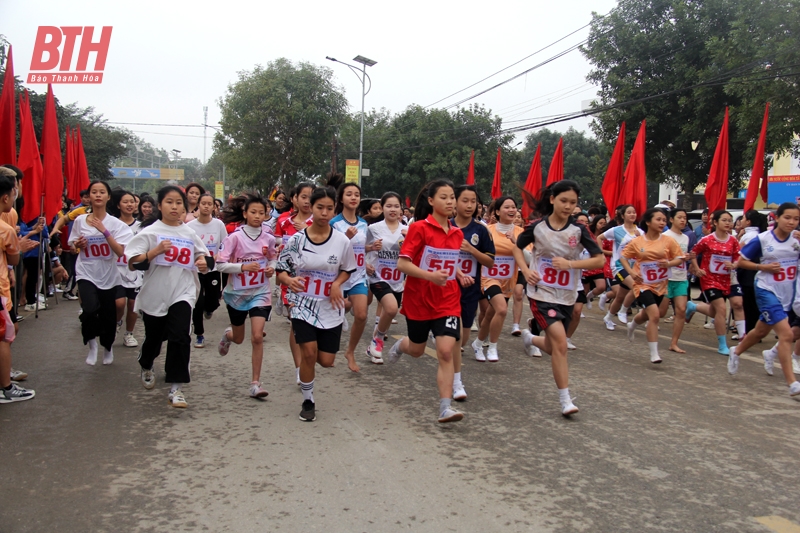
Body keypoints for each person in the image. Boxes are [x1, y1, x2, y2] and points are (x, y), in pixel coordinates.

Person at [515, 180, 604, 416]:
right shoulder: (536, 227)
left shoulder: (579, 230)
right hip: (541, 293)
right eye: (563, 201)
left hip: (567, 294)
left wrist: (570, 264)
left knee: (555, 345)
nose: (568, 206)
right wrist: (525, 270)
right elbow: (517, 248)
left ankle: (530, 339)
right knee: (561, 344)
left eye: (573, 203)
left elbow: (599, 260)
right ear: (552, 199)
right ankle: (566, 400)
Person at [385, 179, 467, 424]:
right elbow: (403, 264)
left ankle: (445, 408)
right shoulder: (419, 228)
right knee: (418, 351)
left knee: (445, 351)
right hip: (419, 300)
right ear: (431, 201)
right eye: (444, 197)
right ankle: (402, 346)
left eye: (452, 197)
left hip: (448, 300)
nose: (450, 201)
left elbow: (448, 263)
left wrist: (458, 273)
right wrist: (430, 276)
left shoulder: (457, 233)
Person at [126, 186, 211, 408]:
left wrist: (202, 263)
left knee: (180, 335)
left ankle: (177, 387)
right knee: (155, 337)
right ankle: (146, 363)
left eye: (178, 203)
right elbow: (133, 262)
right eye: (169, 202)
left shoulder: (189, 233)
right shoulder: (151, 232)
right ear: (159, 205)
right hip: (156, 292)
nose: (174, 207)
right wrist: (154, 252)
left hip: (182, 291)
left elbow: (205, 258)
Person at [276, 187, 356, 422]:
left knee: (326, 361)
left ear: (334, 209)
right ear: (311, 207)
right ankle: (308, 400)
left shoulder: (341, 240)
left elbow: (348, 268)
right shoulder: (297, 240)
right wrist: (289, 280)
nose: (324, 212)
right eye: (319, 207)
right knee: (308, 354)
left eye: (329, 208)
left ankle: (340, 320)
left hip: (330, 306)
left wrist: (336, 284)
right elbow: (281, 270)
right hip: (302, 303)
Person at [727, 202, 800, 399]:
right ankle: (792, 382)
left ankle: (737, 351)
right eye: (787, 218)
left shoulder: (797, 240)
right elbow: (740, 261)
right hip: (766, 289)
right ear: (776, 218)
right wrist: (763, 268)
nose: (791, 222)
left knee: (760, 330)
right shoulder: (763, 239)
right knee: (786, 334)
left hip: (788, 293)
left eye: (796, 219)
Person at [215, 192, 277, 398]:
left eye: (262, 213)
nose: (258, 216)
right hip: (236, 294)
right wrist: (242, 267)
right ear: (245, 213)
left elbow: (273, 259)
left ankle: (255, 383)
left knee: (257, 336)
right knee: (240, 338)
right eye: (254, 212)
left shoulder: (268, 238)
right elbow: (220, 264)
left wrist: (270, 268)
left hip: (260, 292)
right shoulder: (234, 238)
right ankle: (229, 335)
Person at [68, 181, 133, 365]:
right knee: (89, 309)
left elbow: (120, 252)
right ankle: (91, 345)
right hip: (86, 272)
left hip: (108, 276)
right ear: (89, 196)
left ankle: (107, 346)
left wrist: (104, 232)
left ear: (108, 197)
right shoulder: (80, 221)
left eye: (102, 192)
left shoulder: (115, 224)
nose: (97, 195)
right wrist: (77, 246)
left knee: (108, 315)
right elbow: (72, 247)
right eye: (94, 192)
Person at [620, 208, 684, 363]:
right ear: (648, 222)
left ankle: (632, 324)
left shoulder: (668, 240)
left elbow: (680, 258)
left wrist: (668, 263)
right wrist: (631, 272)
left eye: (664, 220)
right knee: (654, 315)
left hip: (660, 284)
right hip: (641, 283)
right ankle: (654, 354)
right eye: (658, 219)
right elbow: (623, 257)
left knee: (648, 313)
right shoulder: (637, 242)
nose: (662, 222)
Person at [450, 185, 495, 399]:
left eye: (473, 201)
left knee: (463, 337)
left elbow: (490, 262)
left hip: (470, 290)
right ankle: (456, 382)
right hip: (446, 287)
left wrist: (472, 250)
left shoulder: (481, 230)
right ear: (455, 202)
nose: (469, 205)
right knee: (453, 336)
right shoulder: (445, 226)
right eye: (465, 200)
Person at [471, 197, 523, 362]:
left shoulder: (521, 233)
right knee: (501, 309)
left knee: (490, 315)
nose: (511, 210)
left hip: (507, 280)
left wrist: (516, 243)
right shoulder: (487, 230)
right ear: (497, 212)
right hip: (488, 277)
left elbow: (528, 259)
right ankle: (493, 347)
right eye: (507, 207)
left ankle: (478, 343)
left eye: (513, 207)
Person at [329, 175, 372, 373]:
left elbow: (360, 248)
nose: (353, 198)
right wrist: (345, 238)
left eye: (356, 195)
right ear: (341, 199)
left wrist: (371, 248)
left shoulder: (364, 224)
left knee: (362, 314)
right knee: (337, 311)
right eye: (349, 194)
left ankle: (350, 351)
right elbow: (329, 250)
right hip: (338, 276)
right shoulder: (334, 223)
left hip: (358, 275)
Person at [274, 183, 314, 384]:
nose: (307, 201)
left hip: (314, 281)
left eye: (311, 197)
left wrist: (308, 230)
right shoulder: (283, 221)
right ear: (295, 199)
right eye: (304, 196)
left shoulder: (320, 221)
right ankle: (299, 367)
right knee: (295, 322)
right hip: (290, 278)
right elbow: (277, 247)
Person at [0, 172, 35, 403]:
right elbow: (13, 260)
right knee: (4, 338)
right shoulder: (6, 230)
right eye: (14, 192)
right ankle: (6, 389)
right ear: (5, 197)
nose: (15, 196)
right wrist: (19, 247)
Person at [686, 210, 740, 355]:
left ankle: (694, 306)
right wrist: (697, 269)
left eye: (730, 220)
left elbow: (738, 257)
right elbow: (693, 253)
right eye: (724, 220)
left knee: (716, 311)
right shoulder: (707, 239)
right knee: (722, 309)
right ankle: (722, 345)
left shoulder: (733, 240)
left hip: (725, 279)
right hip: (708, 279)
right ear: (715, 222)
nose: (728, 223)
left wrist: (734, 265)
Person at [365, 192, 408, 364]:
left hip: (397, 279)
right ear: (382, 208)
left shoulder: (408, 230)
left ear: (401, 210)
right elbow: (361, 249)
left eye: (396, 206)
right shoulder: (373, 229)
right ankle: (378, 341)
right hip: (377, 276)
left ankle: (375, 341)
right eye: (388, 206)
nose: (392, 209)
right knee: (390, 309)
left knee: (391, 311)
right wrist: (369, 250)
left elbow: (415, 254)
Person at [187, 193, 227, 348]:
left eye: (209, 204)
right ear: (198, 204)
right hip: (196, 269)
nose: (206, 206)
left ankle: (209, 309)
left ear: (214, 207)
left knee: (213, 300)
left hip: (214, 268)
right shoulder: (190, 227)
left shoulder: (219, 225)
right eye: (203, 203)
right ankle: (199, 334)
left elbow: (225, 245)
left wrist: (215, 258)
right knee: (198, 302)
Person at [108, 189, 143, 347]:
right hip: (116, 270)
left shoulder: (142, 226)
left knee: (132, 304)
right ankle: (116, 322)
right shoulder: (112, 225)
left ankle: (129, 333)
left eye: (132, 202)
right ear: (118, 205)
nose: (130, 205)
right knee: (119, 303)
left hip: (135, 272)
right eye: (125, 202)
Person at [598, 205, 642, 330]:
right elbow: (600, 238)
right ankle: (623, 310)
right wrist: (600, 252)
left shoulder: (640, 232)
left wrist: (640, 238)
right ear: (623, 216)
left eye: (634, 212)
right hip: (618, 265)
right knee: (636, 286)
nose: (632, 214)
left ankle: (608, 317)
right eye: (629, 212)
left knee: (620, 296)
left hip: (633, 267)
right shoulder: (616, 230)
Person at [664, 209, 694, 353]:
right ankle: (636, 321)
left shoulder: (686, 238)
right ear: (671, 219)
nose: (683, 220)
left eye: (685, 218)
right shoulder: (664, 236)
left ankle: (674, 343)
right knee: (660, 312)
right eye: (679, 217)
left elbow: (683, 256)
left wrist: (687, 258)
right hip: (666, 278)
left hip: (681, 277)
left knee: (681, 310)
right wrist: (675, 260)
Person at [584, 215, 608, 305]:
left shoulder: (606, 235)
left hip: (598, 265)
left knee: (601, 287)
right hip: (586, 264)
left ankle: (589, 297)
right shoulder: (587, 234)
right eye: (600, 223)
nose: (602, 225)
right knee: (585, 289)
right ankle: (580, 308)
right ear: (595, 223)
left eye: (604, 223)